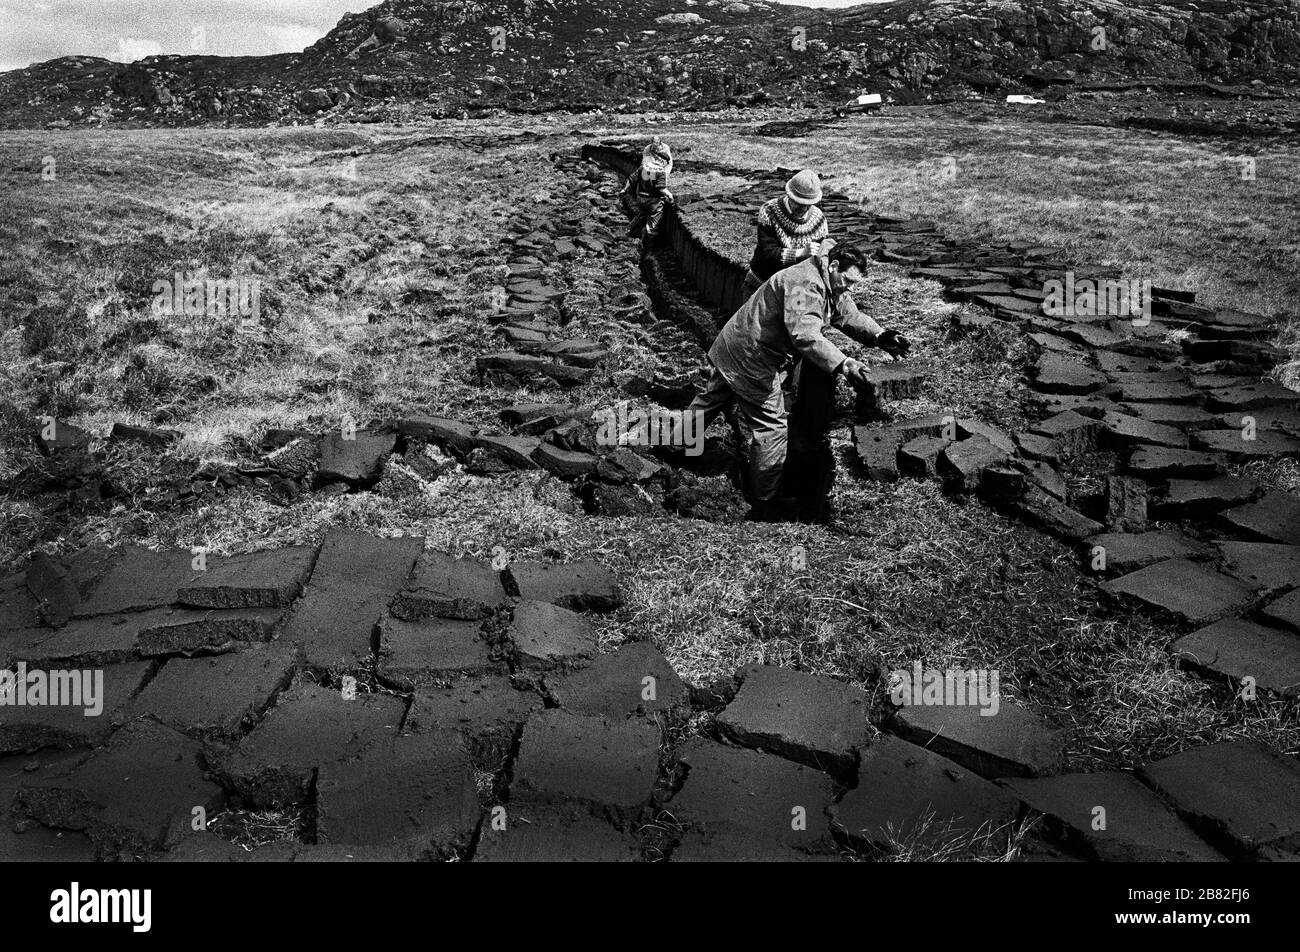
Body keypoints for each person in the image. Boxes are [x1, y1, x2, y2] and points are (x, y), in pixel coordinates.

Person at [684, 243, 910, 519]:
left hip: (736, 345)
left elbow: (847, 314)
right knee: (772, 426)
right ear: (834, 266)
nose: (849, 288)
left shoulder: (829, 280)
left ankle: (680, 442)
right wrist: (844, 363)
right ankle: (764, 499)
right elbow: (805, 335)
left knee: (713, 398)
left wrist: (879, 335)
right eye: (848, 281)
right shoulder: (804, 284)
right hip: (751, 356)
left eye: (854, 284)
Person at [743, 169, 830, 296]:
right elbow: (768, 252)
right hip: (761, 283)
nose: (803, 208)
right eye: (799, 203)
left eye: (808, 204)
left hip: (795, 290)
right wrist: (801, 253)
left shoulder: (819, 220)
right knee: (749, 316)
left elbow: (823, 258)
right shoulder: (770, 211)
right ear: (789, 195)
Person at [620, 137, 675, 241]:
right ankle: (647, 246)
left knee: (642, 213)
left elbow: (631, 179)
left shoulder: (643, 169)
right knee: (653, 225)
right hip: (653, 202)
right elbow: (661, 189)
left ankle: (628, 231)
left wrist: (624, 189)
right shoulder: (660, 172)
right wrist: (670, 195)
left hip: (640, 198)